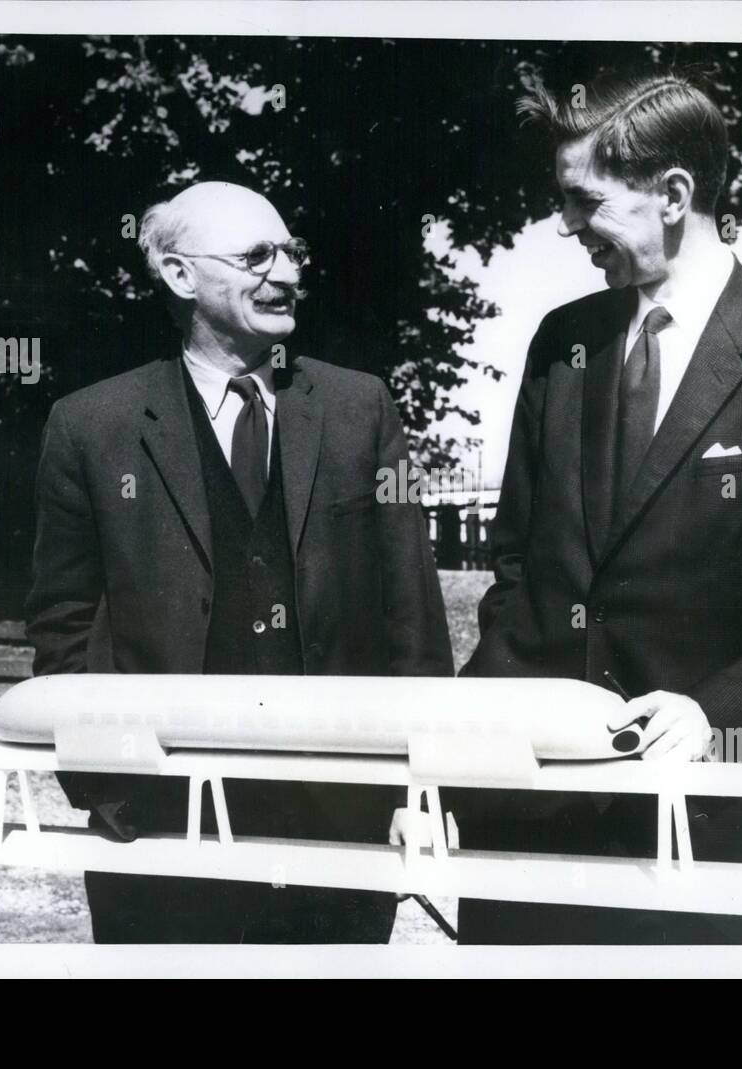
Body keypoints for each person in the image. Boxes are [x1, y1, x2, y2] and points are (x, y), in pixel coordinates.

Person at [454, 72, 742, 944]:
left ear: (674, 195)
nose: (567, 227)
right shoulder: (562, 343)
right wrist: (469, 760)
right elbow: (514, 573)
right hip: (526, 815)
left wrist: (711, 715)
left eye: (585, 201)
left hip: (697, 827)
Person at [25, 181, 453, 943]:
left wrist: (418, 785)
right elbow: (61, 623)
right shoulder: (91, 426)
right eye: (258, 254)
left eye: (293, 252)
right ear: (180, 275)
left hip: (340, 822)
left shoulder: (362, 409)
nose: (287, 271)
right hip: (159, 826)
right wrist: (104, 785)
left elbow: (411, 614)